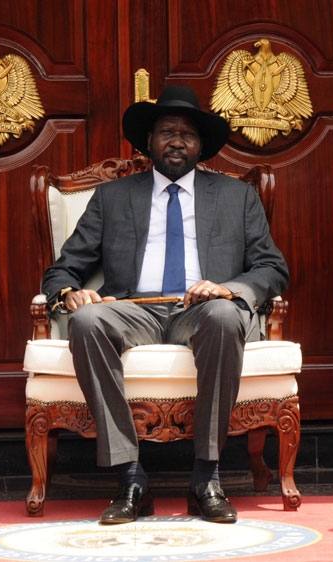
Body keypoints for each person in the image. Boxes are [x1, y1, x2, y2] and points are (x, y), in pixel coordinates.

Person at [40, 85, 289, 525]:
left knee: (224, 313)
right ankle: (131, 477)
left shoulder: (236, 197)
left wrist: (229, 288)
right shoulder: (113, 197)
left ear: (200, 146)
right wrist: (69, 293)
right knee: (88, 319)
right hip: (136, 309)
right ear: (149, 142)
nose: (177, 141)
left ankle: (206, 478)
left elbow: (272, 268)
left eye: (188, 134)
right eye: (167, 132)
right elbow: (63, 269)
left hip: (202, 310)